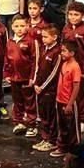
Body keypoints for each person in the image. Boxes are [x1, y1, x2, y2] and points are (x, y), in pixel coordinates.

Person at [4, 15, 39, 138]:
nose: (19, 29)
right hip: (14, 78)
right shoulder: (10, 41)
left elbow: (35, 60)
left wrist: (32, 77)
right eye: (17, 26)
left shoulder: (31, 41)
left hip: (26, 78)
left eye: (22, 26)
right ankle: (19, 122)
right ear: (12, 27)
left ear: (28, 26)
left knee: (29, 102)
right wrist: (7, 73)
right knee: (17, 101)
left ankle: (31, 124)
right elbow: (7, 59)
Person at [62, 1, 84, 132]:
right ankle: (70, 117)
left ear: (83, 15)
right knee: (68, 92)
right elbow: (62, 47)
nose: (73, 17)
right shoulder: (66, 29)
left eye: (76, 15)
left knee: (81, 94)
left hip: (81, 69)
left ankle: (83, 119)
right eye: (70, 14)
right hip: (67, 68)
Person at [31, 24, 62, 153]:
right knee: (43, 115)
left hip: (49, 90)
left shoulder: (57, 52)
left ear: (54, 37)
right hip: (40, 88)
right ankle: (45, 137)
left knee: (50, 116)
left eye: (45, 37)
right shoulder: (44, 49)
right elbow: (39, 68)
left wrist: (42, 87)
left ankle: (52, 140)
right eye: (42, 37)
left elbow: (54, 73)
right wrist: (36, 83)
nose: (43, 39)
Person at [52, 41, 82, 158]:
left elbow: (76, 86)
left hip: (68, 102)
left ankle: (74, 152)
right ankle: (63, 147)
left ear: (72, 53)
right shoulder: (64, 64)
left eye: (64, 51)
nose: (62, 53)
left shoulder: (75, 67)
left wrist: (70, 104)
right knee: (63, 126)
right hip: (60, 100)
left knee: (72, 129)